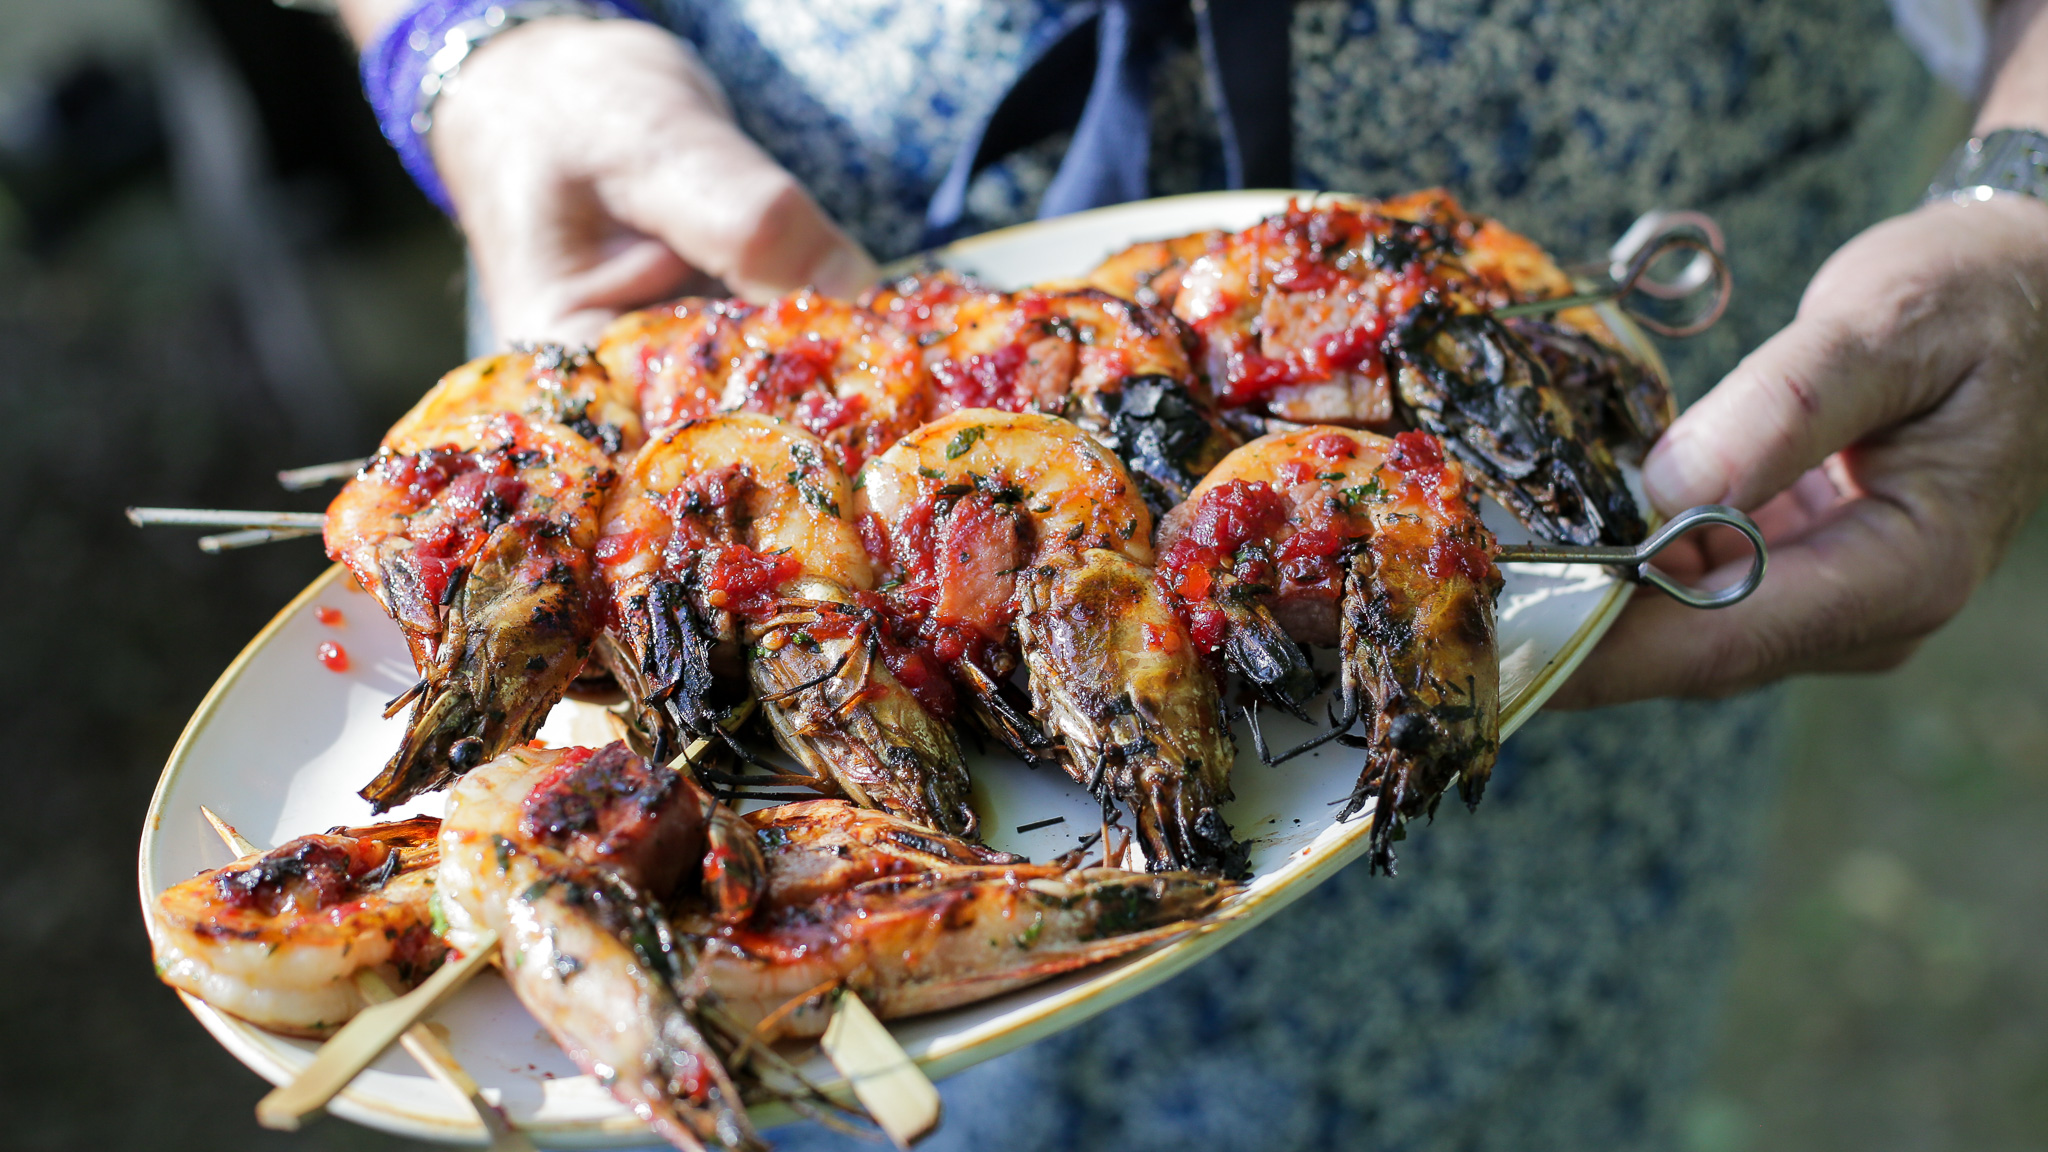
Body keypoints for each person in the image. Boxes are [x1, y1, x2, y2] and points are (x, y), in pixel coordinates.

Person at [332, 1, 2048, 1147]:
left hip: (1578, 633)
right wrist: (471, 44)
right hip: (666, 289)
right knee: (705, 959)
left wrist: (2024, 209)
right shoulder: (654, 515)